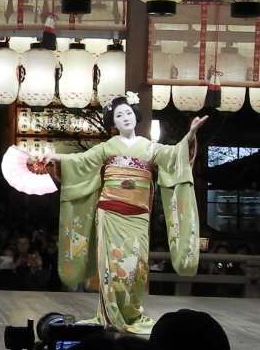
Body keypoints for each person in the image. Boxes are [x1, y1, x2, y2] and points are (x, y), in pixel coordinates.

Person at [34, 92, 206, 334]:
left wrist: (190, 134)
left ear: (134, 115)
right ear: (113, 122)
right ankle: (109, 314)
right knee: (112, 267)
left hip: (138, 214)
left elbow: (174, 155)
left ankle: (132, 313)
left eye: (127, 113)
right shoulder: (107, 147)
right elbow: (79, 161)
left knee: (137, 266)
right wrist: (54, 157)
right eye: (118, 115)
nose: (125, 117)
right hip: (110, 212)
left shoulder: (148, 147)